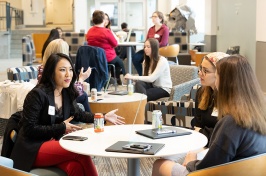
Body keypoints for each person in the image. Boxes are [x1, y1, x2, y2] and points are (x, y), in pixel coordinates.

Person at [10, 53, 125, 175]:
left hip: (52, 142)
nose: (68, 74)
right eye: (62, 70)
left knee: (74, 167)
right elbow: (29, 129)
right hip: (32, 147)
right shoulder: (37, 94)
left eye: (70, 69)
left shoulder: (66, 92)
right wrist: (62, 127)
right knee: (80, 152)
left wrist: (103, 116)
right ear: (51, 72)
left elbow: (79, 114)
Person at [152, 54, 266, 176]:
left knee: (160, 164)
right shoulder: (258, 112)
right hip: (246, 171)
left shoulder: (231, 122)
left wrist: (191, 162)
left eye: (216, 77)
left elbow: (209, 167)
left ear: (226, 83)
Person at [192, 52, 229, 144]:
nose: (200, 73)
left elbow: (227, 135)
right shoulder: (201, 92)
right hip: (202, 143)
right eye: (200, 68)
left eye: (206, 71)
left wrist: (202, 132)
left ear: (220, 74)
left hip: (221, 147)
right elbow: (197, 123)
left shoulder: (231, 97)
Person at [87, 10, 126, 85]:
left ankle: (109, 80)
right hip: (107, 57)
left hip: (94, 58)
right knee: (120, 62)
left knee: (113, 63)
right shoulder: (106, 31)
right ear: (103, 20)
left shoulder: (89, 31)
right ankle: (124, 79)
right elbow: (115, 44)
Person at [132, 11, 169, 76]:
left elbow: (163, 43)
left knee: (149, 61)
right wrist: (147, 47)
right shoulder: (151, 29)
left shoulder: (165, 29)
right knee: (135, 58)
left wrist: (152, 47)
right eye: (152, 17)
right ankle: (143, 76)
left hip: (158, 50)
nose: (153, 18)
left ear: (160, 19)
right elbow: (147, 40)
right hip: (148, 49)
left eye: (155, 16)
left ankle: (150, 76)